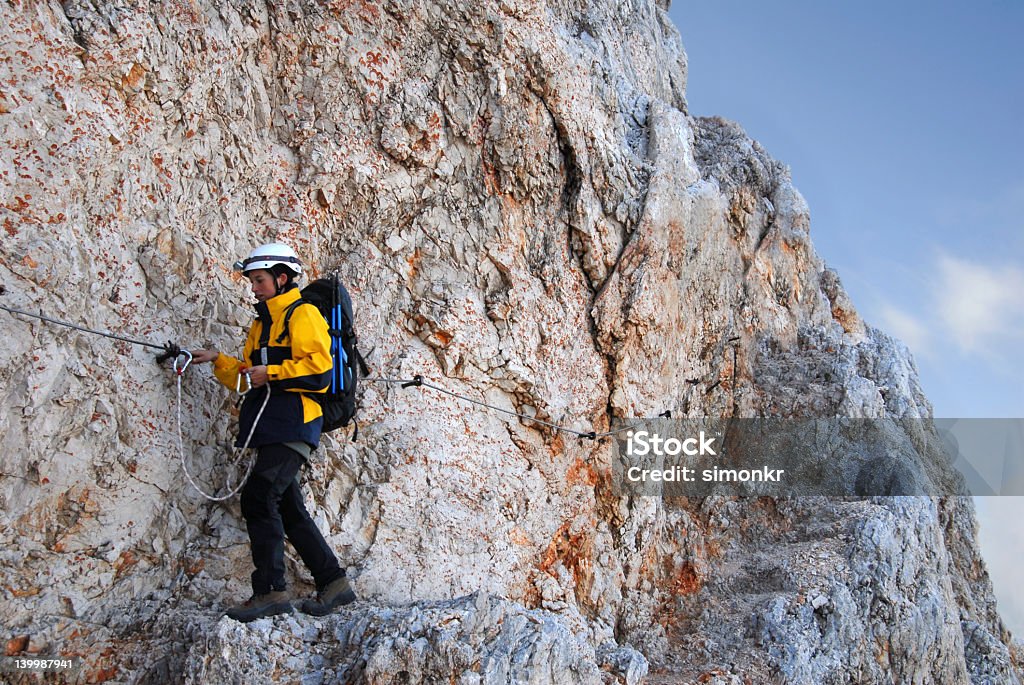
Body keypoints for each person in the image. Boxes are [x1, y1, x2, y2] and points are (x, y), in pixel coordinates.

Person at [191, 242, 356, 622]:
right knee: (285, 504)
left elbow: (320, 372)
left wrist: (274, 374)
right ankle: (334, 585)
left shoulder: (303, 314)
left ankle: (270, 592)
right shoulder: (262, 322)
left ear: (282, 278)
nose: (254, 287)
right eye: (252, 280)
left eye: (260, 279)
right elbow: (249, 378)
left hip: (295, 420)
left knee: (260, 496)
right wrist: (218, 361)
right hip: (270, 422)